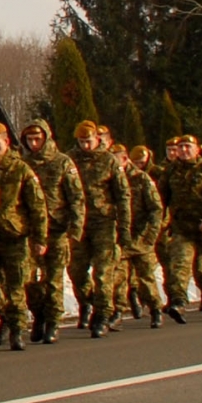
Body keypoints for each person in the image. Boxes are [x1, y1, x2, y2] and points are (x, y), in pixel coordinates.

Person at [0, 123, 47, 351]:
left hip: (16, 237)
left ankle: (18, 331)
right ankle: (6, 315)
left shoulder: (21, 170)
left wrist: (40, 239)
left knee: (16, 286)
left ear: (6, 143)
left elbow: (37, 207)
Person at [19, 121, 85, 344]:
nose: (34, 143)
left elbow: (76, 197)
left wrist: (75, 229)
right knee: (27, 279)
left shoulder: (62, 162)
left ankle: (53, 321)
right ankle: (39, 314)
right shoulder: (24, 164)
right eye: (29, 140)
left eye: (37, 139)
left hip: (57, 230)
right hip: (30, 231)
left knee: (54, 279)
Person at [68, 121, 132, 336]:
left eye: (89, 141)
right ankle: (87, 302)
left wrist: (124, 227)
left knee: (104, 272)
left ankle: (104, 314)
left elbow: (123, 195)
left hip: (104, 222)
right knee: (76, 271)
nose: (85, 146)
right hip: (78, 224)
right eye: (81, 142)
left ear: (97, 139)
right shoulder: (70, 160)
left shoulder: (109, 161)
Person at [156, 134, 202, 323]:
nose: (184, 151)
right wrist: (161, 223)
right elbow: (161, 199)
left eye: (188, 147)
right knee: (179, 265)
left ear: (197, 149)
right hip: (182, 227)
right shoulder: (171, 171)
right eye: (181, 147)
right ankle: (179, 302)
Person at [122, 145, 167, 327]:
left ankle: (155, 309)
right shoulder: (112, 179)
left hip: (141, 236)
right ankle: (116, 311)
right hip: (122, 237)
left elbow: (156, 209)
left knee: (146, 276)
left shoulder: (142, 178)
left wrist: (151, 235)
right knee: (117, 278)